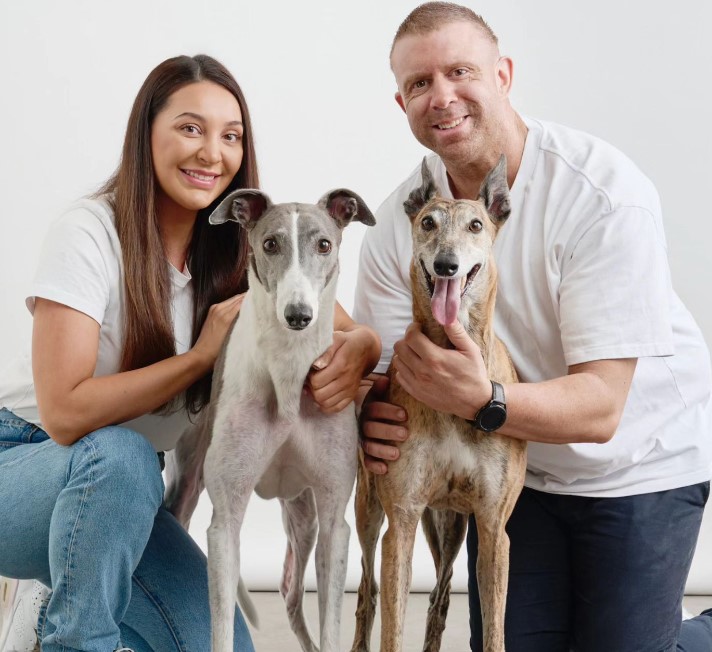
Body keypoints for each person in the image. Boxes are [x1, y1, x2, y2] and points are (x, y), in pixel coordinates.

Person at [353, 3, 712, 651]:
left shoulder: (599, 193)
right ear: (399, 102)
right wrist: (369, 413)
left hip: (640, 460)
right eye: (418, 84)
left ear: (504, 74)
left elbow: (603, 408)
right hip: (520, 471)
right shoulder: (401, 226)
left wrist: (479, 400)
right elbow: (384, 376)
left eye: (460, 71)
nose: (442, 97)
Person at [0, 54, 380, 652]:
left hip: (122, 500)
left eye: (231, 136)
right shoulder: (90, 232)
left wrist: (366, 347)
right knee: (122, 456)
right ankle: (67, 630)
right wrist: (200, 358)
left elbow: (346, 329)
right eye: (190, 128)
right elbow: (65, 415)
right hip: (24, 464)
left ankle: (75, 578)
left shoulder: (247, 252)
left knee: (218, 642)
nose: (212, 153)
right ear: (146, 130)